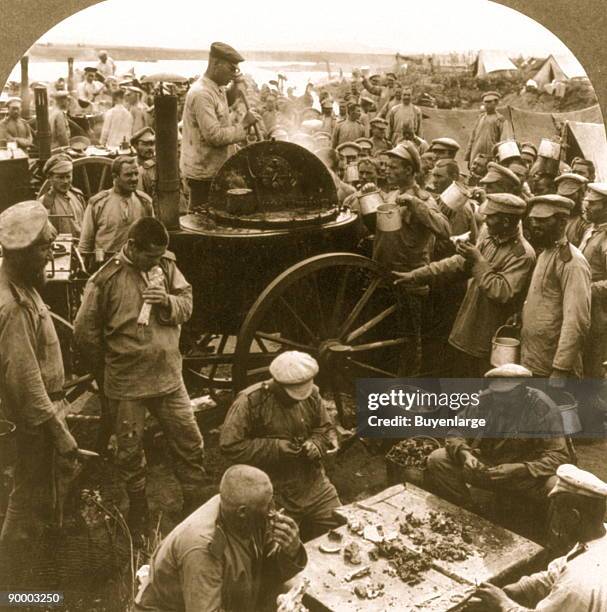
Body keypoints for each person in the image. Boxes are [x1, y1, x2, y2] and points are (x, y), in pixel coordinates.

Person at [74, 218, 206, 534]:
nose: (156, 262)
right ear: (132, 246)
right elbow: (84, 332)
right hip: (127, 384)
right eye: (150, 257)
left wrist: (167, 302)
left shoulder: (167, 267)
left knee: (190, 440)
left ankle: (193, 500)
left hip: (169, 378)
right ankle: (138, 507)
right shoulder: (105, 280)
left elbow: (187, 305)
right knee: (129, 450)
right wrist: (106, 371)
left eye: (161, 255)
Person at [0, 202, 79, 547]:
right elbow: (26, 381)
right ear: (22, 254)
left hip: (39, 415)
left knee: (38, 490)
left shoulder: (20, 283)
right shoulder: (13, 306)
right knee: (27, 495)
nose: (51, 255)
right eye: (45, 248)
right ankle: (18, 577)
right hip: (34, 421)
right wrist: (59, 431)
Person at [395, 194, 534, 377]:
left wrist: (477, 259)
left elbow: (501, 292)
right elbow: (457, 265)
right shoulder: (490, 240)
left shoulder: (522, 254)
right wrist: (416, 275)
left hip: (488, 341)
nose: (485, 219)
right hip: (466, 331)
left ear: (506, 221)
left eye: (491, 216)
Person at [134, 465, 306, 612]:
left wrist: (291, 552)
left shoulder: (246, 516)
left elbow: (267, 575)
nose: (273, 511)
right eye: (268, 505)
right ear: (242, 512)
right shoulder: (202, 548)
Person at [220, 351, 341, 541]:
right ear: (278, 384)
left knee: (343, 528)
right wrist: (276, 448)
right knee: (276, 551)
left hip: (314, 484)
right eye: (293, 395)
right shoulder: (250, 401)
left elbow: (324, 428)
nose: (298, 400)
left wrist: (316, 444)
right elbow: (230, 445)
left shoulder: (312, 393)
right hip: (274, 493)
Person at [426, 364, 570, 507]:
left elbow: (559, 457)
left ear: (522, 390)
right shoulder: (485, 399)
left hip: (525, 476)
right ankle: (469, 511)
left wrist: (521, 469)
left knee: (557, 485)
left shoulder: (542, 408)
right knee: (438, 458)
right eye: (497, 394)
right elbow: (456, 431)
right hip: (489, 469)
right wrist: (465, 454)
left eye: (507, 395)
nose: (500, 401)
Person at [471, 464, 607, 611]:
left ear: (574, 517)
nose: (555, 519)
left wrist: (503, 603)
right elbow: (558, 570)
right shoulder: (595, 536)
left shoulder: (576, 583)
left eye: (557, 511)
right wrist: (521, 588)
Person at [375, 142, 450, 376]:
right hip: (385, 275)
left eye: (394, 167)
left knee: (411, 341)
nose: (387, 170)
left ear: (409, 170)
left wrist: (415, 204)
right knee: (390, 337)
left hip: (410, 280)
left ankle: (409, 391)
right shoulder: (391, 194)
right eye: (387, 166)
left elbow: (444, 229)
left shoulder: (424, 199)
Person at [180, 42, 260, 209]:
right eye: (232, 69)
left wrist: (235, 86)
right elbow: (214, 137)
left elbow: (224, 103)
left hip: (214, 168)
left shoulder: (217, 87)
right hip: (203, 173)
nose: (234, 74)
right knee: (202, 218)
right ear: (216, 64)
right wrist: (243, 125)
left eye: (236, 70)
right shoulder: (201, 93)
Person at [521, 195, 591, 379]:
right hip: (535, 360)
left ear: (562, 223)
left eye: (543, 220)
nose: (535, 225)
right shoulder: (546, 253)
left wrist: (561, 368)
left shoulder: (573, 263)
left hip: (552, 369)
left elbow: (577, 320)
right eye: (533, 219)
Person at [79, 156, 154, 270]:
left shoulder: (145, 202)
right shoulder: (98, 203)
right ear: (115, 177)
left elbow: (151, 239)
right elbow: (85, 245)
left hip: (135, 267)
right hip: (106, 267)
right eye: (128, 175)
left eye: (135, 174)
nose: (134, 179)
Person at [39, 153, 86, 237]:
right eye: (60, 177)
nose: (65, 181)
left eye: (68, 177)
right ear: (50, 178)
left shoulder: (78, 196)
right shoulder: (45, 202)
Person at [464, 91, 506, 167]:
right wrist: (468, 157)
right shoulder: (480, 118)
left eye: (489, 102)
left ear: (496, 103)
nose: (487, 105)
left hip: (490, 156)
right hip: (475, 155)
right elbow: (472, 138)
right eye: (485, 102)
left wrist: (500, 158)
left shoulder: (500, 119)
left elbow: (503, 141)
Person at [555, 172, 589, 246]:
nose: (565, 201)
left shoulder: (584, 221)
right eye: (562, 196)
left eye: (570, 196)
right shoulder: (554, 216)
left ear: (581, 195)